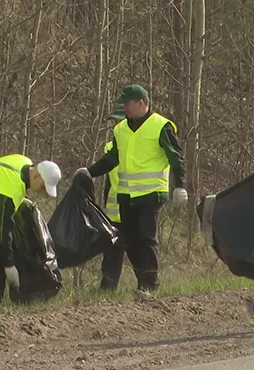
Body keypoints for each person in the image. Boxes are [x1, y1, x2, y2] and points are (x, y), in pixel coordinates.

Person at [74, 84, 188, 296]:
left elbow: (175, 157)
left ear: (141, 103)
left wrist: (180, 185)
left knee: (146, 237)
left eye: (127, 103)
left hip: (152, 193)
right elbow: (112, 158)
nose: (124, 107)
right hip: (126, 196)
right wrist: (89, 172)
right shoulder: (121, 129)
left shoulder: (161, 126)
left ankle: (150, 284)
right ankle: (142, 282)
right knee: (132, 242)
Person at [0, 154, 62, 303]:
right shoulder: (10, 190)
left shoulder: (24, 162)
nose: (42, 191)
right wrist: (9, 266)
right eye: (43, 186)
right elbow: (2, 231)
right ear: (37, 176)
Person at [98, 104, 126, 291]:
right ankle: (107, 287)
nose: (115, 125)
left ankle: (147, 285)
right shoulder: (109, 147)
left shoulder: (139, 145)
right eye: (114, 121)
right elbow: (109, 181)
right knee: (112, 251)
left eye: (119, 121)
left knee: (140, 249)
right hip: (114, 210)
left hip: (137, 207)